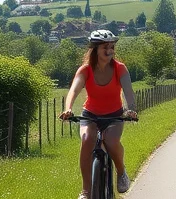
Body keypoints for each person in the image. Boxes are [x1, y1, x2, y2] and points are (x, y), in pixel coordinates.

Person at [58, 30, 139, 199]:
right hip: (90, 115)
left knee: (110, 140)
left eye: (112, 47)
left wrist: (131, 109)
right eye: (105, 47)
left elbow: (129, 92)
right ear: (94, 49)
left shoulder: (120, 69)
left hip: (114, 116)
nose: (110, 50)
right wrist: (68, 108)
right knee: (87, 139)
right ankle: (86, 191)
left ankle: (121, 171)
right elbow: (74, 89)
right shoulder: (85, 70)